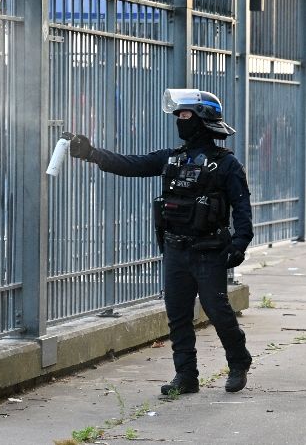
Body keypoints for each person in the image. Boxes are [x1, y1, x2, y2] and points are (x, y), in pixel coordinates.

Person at [67, 89, 253, 394]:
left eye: (184, 115)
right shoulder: (172, 158)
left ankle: (238, 361)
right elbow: (132, 165)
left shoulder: (226, 164)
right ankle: (186, 376)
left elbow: (242, 207)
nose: (179, 121)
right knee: (178, 314)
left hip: (208, 250)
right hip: (175, 249)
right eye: (178, 116)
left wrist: (240, 243)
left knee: (216, 309)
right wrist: (91, 153)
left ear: (202, 119)